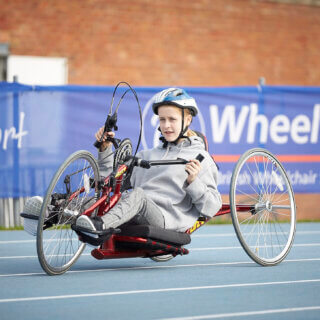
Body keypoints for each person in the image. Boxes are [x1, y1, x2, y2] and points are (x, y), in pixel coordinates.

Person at [75, 87, 222, 234]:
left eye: (172, 119)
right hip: (134, 208)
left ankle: (100, 226)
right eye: (162, 119)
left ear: (188, 120)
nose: (166, 125)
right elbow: (110, 183)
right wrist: (104, 149)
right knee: (92, 202)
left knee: (138, 195)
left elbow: (212, 207)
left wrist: (193, 182)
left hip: (165, 217)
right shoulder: (147, 155)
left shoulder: (200, 158)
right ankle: (54, 213)